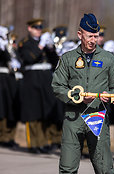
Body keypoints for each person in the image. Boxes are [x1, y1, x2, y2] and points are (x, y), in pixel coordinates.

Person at [52, 13, 114, 173]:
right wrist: (76, 98)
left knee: (104, 168)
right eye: (89, 36)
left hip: (97, 116)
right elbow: (57, 86)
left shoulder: (109, 59)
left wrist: (111, 95)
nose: (93, 40)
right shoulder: (67, 59)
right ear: (80, 34)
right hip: (73, 117)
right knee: (67, 168)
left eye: (96, 36)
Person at [18, 18, 56, 154]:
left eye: (40, 28)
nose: (38, 30)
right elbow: (29, 58)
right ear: (29, 28)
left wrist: (51, 48)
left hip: (45, 78)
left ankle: (44, 142)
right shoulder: (25, 43)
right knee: (33, 112)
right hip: (32, 79)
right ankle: (33, 144)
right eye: (36, 28)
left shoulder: (45, 43)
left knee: (45, 112)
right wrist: (40, 45)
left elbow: (55, 61)